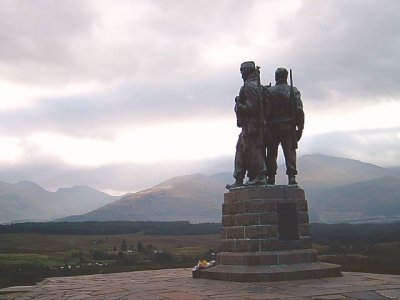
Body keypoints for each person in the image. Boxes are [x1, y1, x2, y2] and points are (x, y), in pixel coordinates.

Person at [226, 61, 266, 189]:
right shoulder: (257, 86)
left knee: (253, 150)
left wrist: (238, 104)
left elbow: (252, 108)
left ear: (246, 71)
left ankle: (259, 176)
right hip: (250, 126)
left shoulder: (249, 87)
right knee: (241, 150)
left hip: (251, 126)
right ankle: (239, 178)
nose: (241, 75)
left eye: (242, 72)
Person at [264, 67, 304, 185]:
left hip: (273, 128)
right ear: (286, 77)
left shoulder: (269, 92)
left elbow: (266, 111)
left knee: (271, 154)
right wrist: (300, 128)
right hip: (288, 127)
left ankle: (271, 177)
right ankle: (291, 177)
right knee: (290, 152)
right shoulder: (293, 90)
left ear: (276, 77)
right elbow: (299, 110)